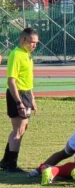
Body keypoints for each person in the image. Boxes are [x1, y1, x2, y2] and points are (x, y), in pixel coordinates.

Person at [0, 27, 39, 172]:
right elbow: (12, 81)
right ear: (23, 40)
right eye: (32, 42)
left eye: (36, 43)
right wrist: (19, 102)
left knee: (22, 128)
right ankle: (11, 164)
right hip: (18, 95)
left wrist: (32, 98)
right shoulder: (16, 54)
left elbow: (27, 79)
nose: (34, 45)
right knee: (19, 129)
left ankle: (6, 161)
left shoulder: (27, 54)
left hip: (26, 94)